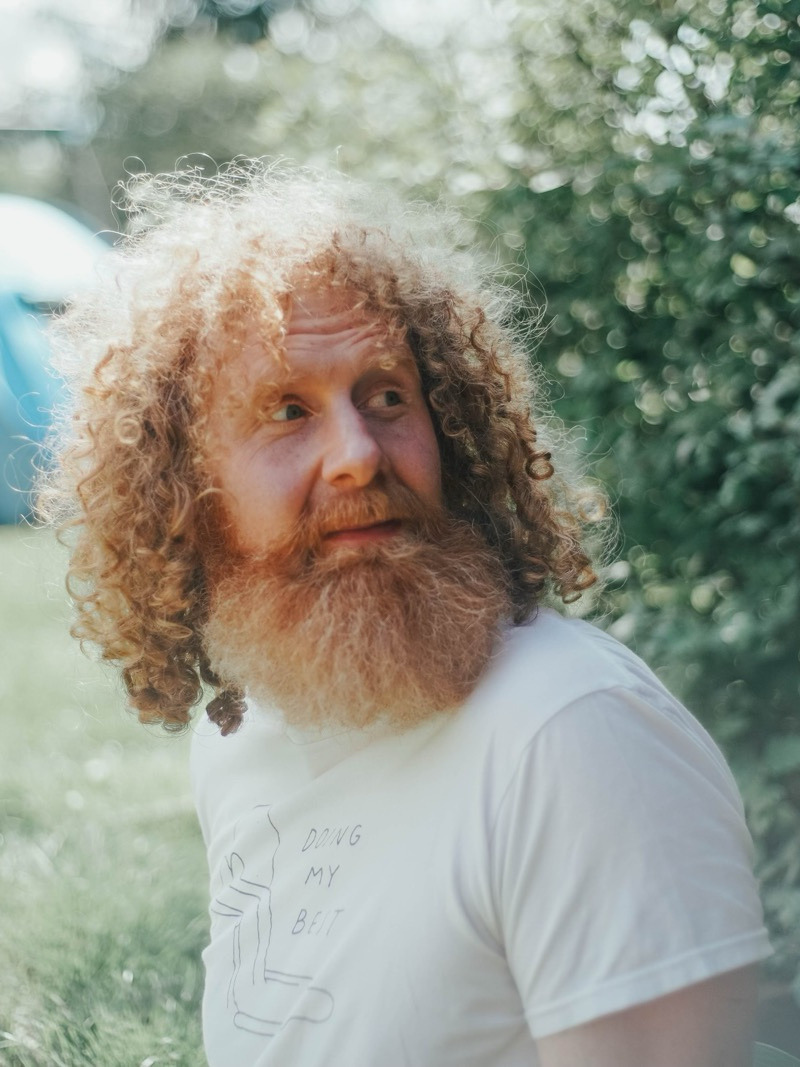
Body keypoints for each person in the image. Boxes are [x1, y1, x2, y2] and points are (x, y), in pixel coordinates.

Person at [42, 161, 771, 1067]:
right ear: (184, 491)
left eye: (387, 395)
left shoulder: (572, 736)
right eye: (286, 410)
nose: (357, 453)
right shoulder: (247, 731)